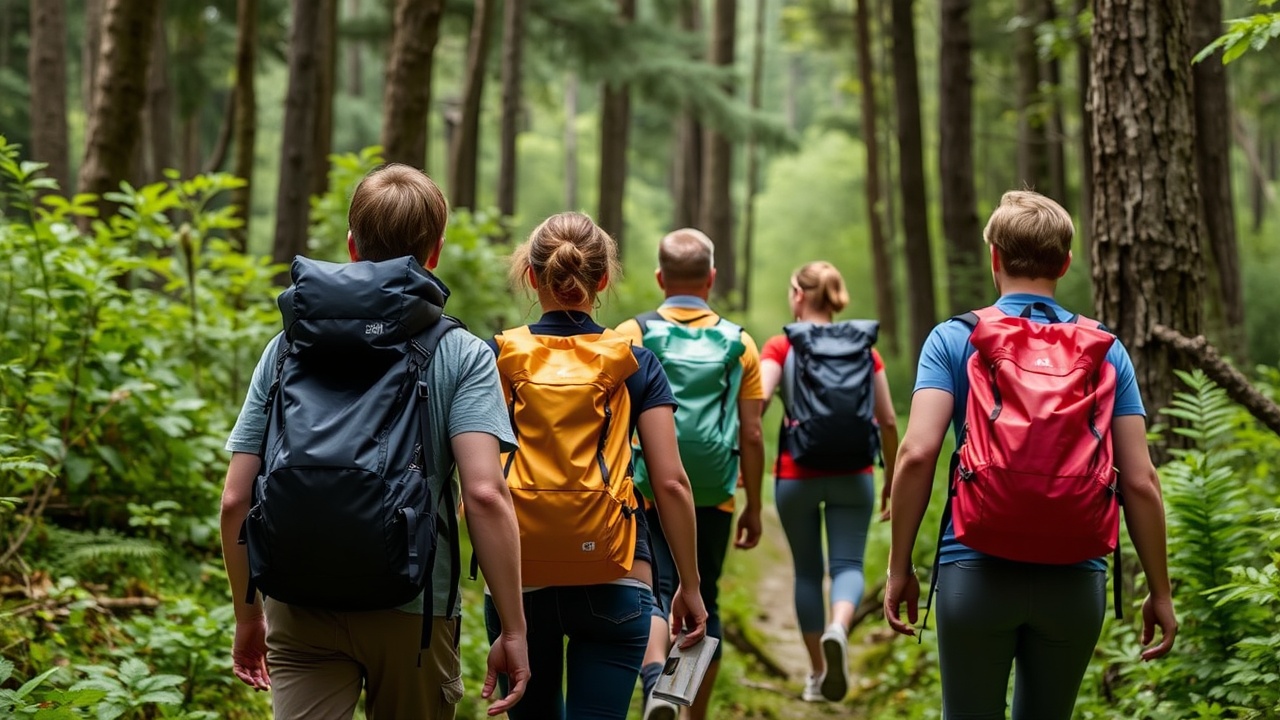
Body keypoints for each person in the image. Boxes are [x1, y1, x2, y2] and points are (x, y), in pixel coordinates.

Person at [219, 163, 530, 720]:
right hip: (414, 609)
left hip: (298, 600)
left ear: (351, 244)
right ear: (433, 252)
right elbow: (485, 495)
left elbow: (235, 501)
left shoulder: (285, 347)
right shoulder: (462, 354)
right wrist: (513, 629)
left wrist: (249, 616)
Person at [883, 190, 1178, 719]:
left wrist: (899, 566)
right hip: (1075, 576)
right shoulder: (1105, 348)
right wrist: (1160, 590)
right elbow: (1140, 481)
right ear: (1065, 263)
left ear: (994, 257)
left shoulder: (955, 339)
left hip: (973, 569)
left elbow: (917, 453)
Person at [483, 211, 708, 720]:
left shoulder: (499, 356)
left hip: (520, 575)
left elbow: (481, 482)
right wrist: (690, 586)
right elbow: (671, 482)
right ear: (602, 279)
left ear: (531, 276)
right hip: (618, 573)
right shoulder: (633, 360)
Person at [614, 228, 766, 720]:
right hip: (715, 491)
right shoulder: (741, 343)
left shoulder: (630, 335)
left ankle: (657, 680)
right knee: (706, 595)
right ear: (712, 279)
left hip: (644, 489)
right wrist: (756, 506)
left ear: (660, 278)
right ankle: (691, 712)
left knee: (655, 591)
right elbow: (754, 434)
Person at [760, 260, 899, 703]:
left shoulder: (781, 346)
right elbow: (889, 420)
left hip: (796, 474)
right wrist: (892, 479)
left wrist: (742, 451)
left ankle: (818, 673)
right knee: (848, 567)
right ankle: (839, 628)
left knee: (806, 571)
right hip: (855, 474)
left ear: (798, 296)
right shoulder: (865, 348)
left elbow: (759, 400)